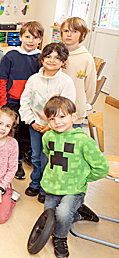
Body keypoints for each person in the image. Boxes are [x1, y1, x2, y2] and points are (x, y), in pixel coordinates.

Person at [41, 96, 109, 258]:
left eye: (62, 116)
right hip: (53, 185)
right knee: (50, 214)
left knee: (63, 214)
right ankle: (79, 212)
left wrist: (83, 177)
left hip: (74, 188)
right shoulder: (48, 137)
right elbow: (48, 154)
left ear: (74, 117)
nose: (57, 122)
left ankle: (60, 238)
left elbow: (102, 167)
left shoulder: (83, 141)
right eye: (52, 118)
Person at [19, 42, 76, 204]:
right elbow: (25, 102)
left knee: (49, 158)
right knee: (36, 156)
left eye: (57, 58)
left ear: (63, 62)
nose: (52, 60)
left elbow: (67, 107)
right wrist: (31, 121)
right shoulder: (33, 79)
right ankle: (35, 183)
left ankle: (45, 188)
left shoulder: (66, 81)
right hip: (36, 126)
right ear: (42, 59)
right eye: (48, 56)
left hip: (55, 129)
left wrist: (50, 126)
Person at [0, 21, 43, 179]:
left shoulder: (40, 58)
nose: (31, 41)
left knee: (24, 134)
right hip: (12, 101)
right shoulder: (10, 56)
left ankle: (19, 160)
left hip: (31, 105)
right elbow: (3, 80)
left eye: (35, 37)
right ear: (20, 37)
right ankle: (5, 160)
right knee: (10, 132)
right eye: (28, 36)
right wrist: (4, 103)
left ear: (40, 40)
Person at [60, 17, 96, 129]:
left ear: (83, 34)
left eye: (74, 31)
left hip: (75, 110)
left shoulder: (86, 58)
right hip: (54, 110)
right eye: (66, 31)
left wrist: (83, 103)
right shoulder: (54, 54)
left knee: (71, 144)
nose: (69, 35)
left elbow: (90, 87)